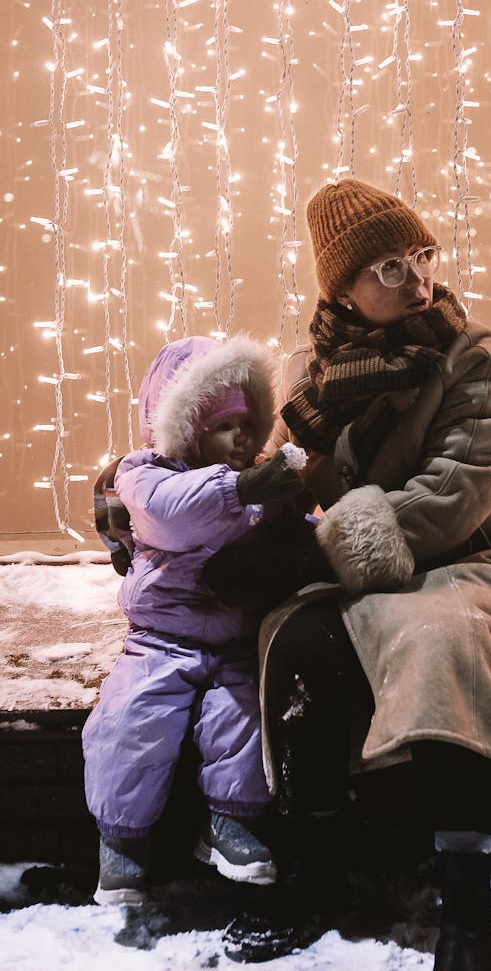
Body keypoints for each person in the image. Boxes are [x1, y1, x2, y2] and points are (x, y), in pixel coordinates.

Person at [223, 178, 491, 971]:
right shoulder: (315, 377)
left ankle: (465, 907)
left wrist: (325, 548)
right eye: (388, 267)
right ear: (342, 287)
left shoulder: (473, 355)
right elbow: (271, 465)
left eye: (422, 255)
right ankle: (314, 873)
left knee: (438, 640)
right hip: (370, 571)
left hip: (481, 560)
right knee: (299, 645)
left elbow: (456, 492)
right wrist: (158, 486)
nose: (417, 279)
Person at [82, 334, 307, 906]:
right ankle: (122, 839)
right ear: (187, 428)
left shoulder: (255, 479)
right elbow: (176, 516)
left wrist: (296, 514)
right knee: (131, 721)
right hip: (160, 637)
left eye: (250, 424)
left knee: (245, 721)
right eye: (226, 425)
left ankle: (230, 823)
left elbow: (289, 531)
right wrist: (249, 487)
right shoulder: (144, 475)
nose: (244, 438)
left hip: (236, 638)